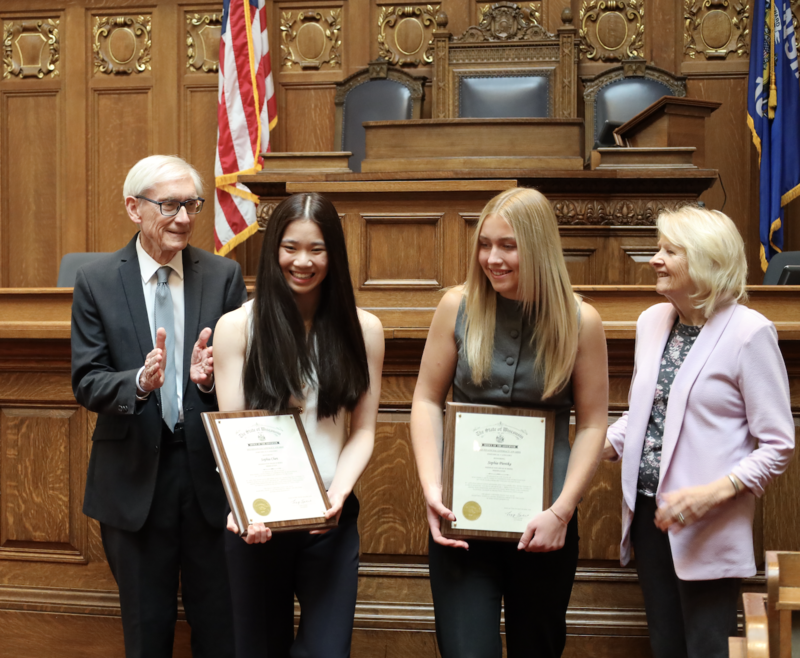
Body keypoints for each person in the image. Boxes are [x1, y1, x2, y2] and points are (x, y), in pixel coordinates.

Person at [410, 187, 609, 658]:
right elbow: (423, 399)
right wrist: (431, 489)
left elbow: (595, 423)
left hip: (544, 522)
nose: (492, 258)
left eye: (508, 245)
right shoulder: (455, 306)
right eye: (485, 244)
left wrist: (562, 512)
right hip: (461, 517)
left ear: (538, 248)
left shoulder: (581, 321)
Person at [71, 155, 246, 656]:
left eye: (192, 204)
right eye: (170, 205)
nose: (185, 218)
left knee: (221, 629)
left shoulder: (224, 277)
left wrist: (210, 382)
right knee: (147, 634)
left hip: (210, 482)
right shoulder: (96, 281)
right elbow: (87, 380)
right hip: (133, 482)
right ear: (134, 207)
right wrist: (140, 383)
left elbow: (242, 376)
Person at [603, 206, 795, 658]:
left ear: (707, 262)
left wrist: (714, 493)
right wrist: (592, 447)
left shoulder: (750, 333)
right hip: (651, 514)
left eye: (670, 251)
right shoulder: (652, 321)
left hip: (708, 522)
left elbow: (778, 444)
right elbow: (642, 415)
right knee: (665, 646)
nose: (655, 259)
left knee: (707, 649)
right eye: (658, 248)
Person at [213, 192, 385, 658]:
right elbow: (236, 431)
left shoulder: (364, 328)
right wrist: (245, 505)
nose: (302, 261)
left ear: (334, 253)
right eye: (291, 247)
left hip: (330, 520)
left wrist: (339, 494)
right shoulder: (237, 328)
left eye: (317, 249)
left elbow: (363, 430)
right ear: (273, 251)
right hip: (260, 521)